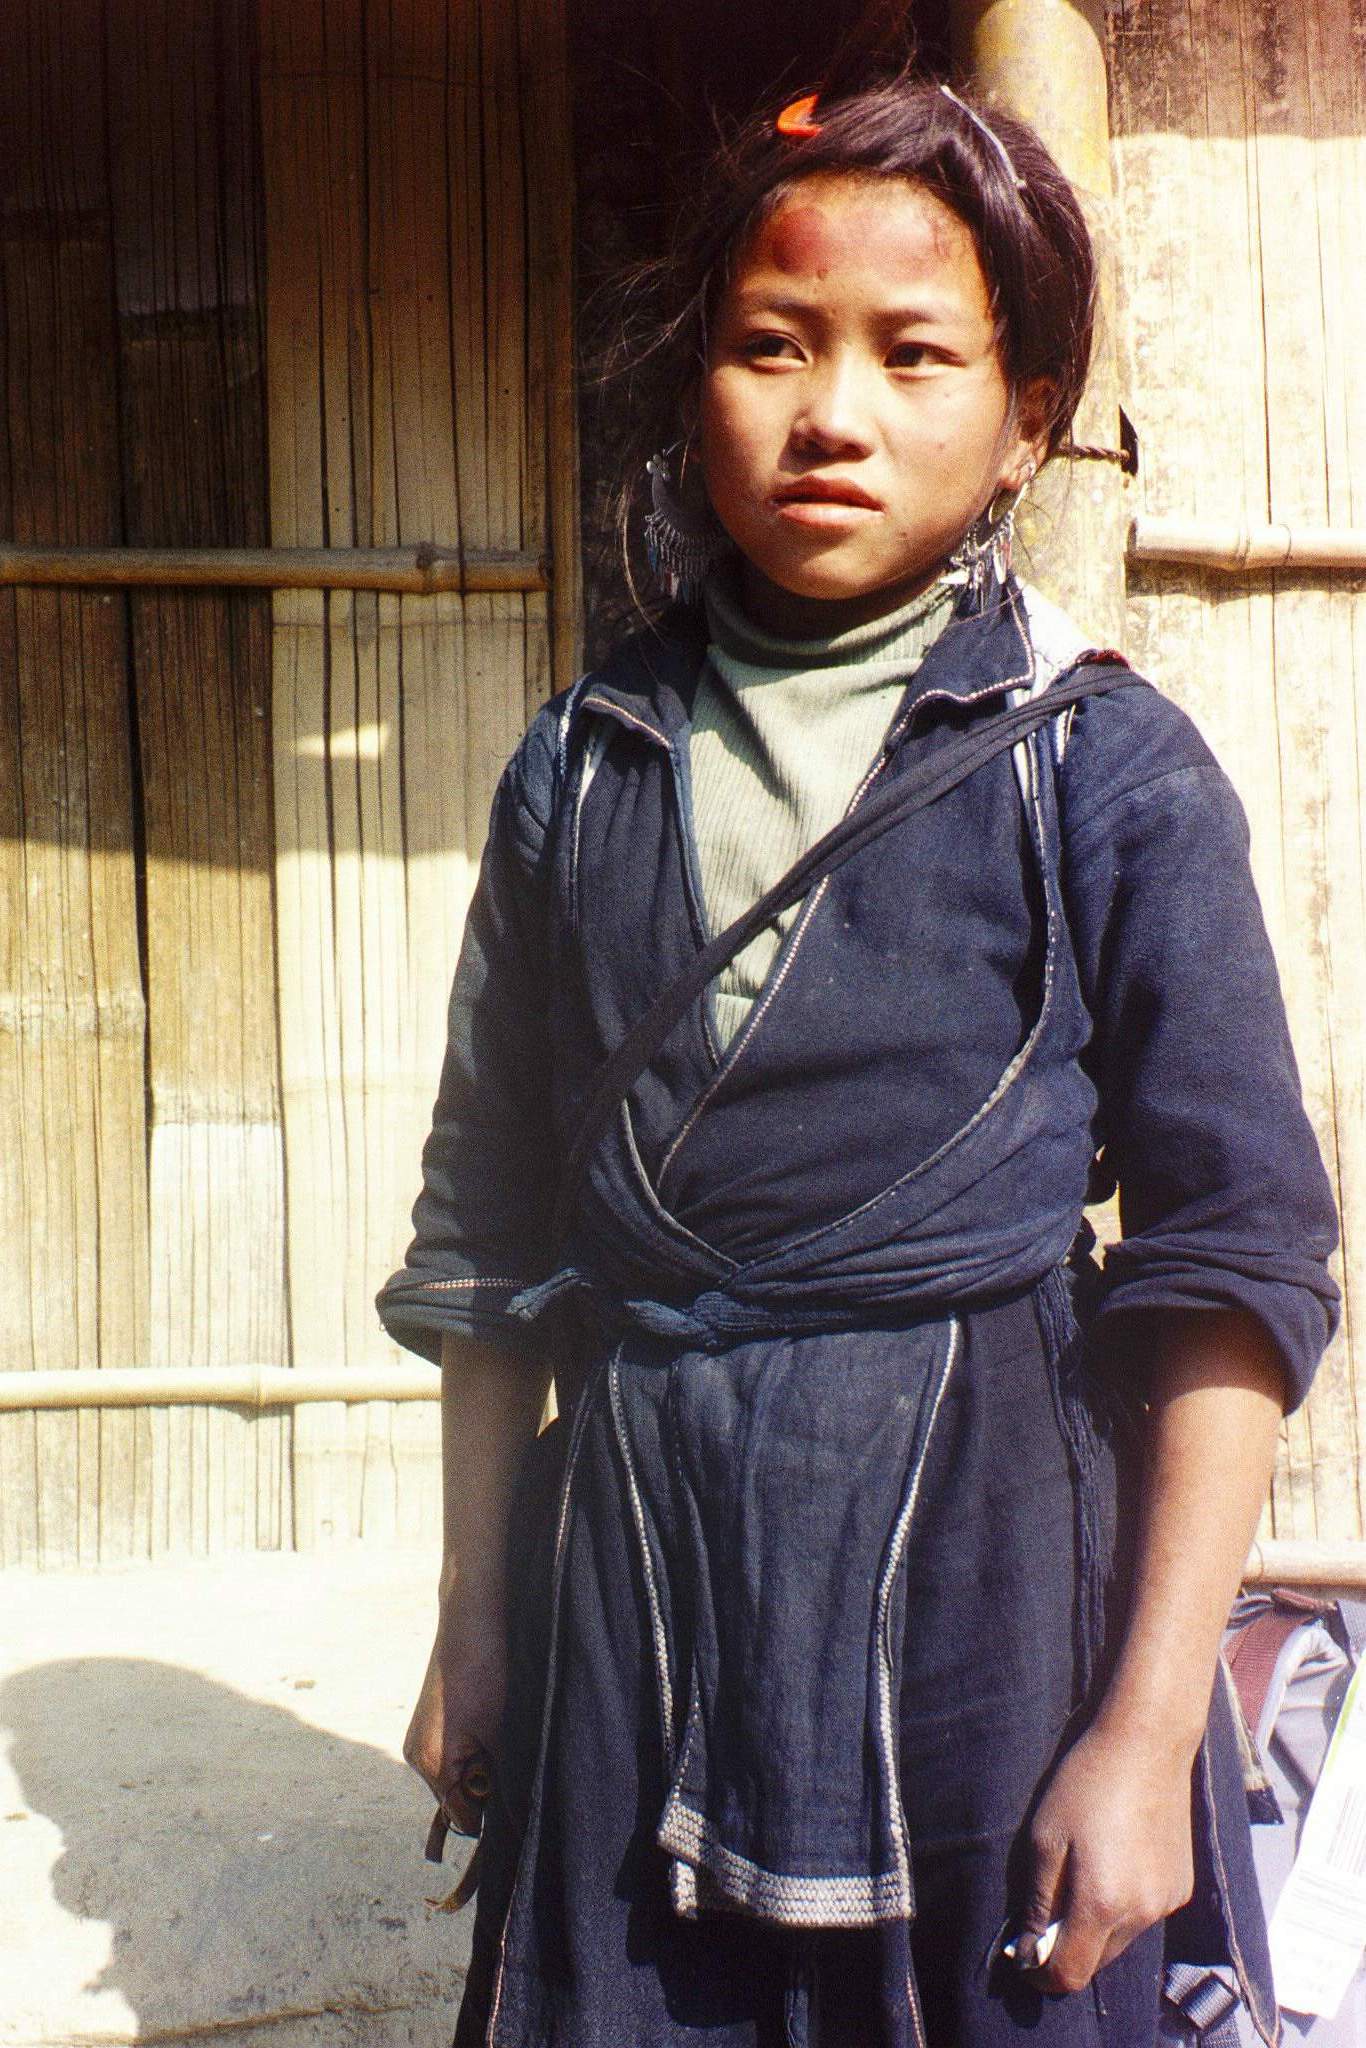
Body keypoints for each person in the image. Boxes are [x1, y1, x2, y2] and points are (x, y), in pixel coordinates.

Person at [378, 74, 1339, 2048]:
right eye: (769, 345)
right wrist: (476, 1623)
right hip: (633, 1575)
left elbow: (1231, 1265)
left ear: (1020, 426)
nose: (832, 413)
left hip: (992, 1582)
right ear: (690, 380)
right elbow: (486, 1237)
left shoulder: (1103, 772)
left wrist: (1149, 1733)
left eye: (914, 356)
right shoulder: (576, 773)